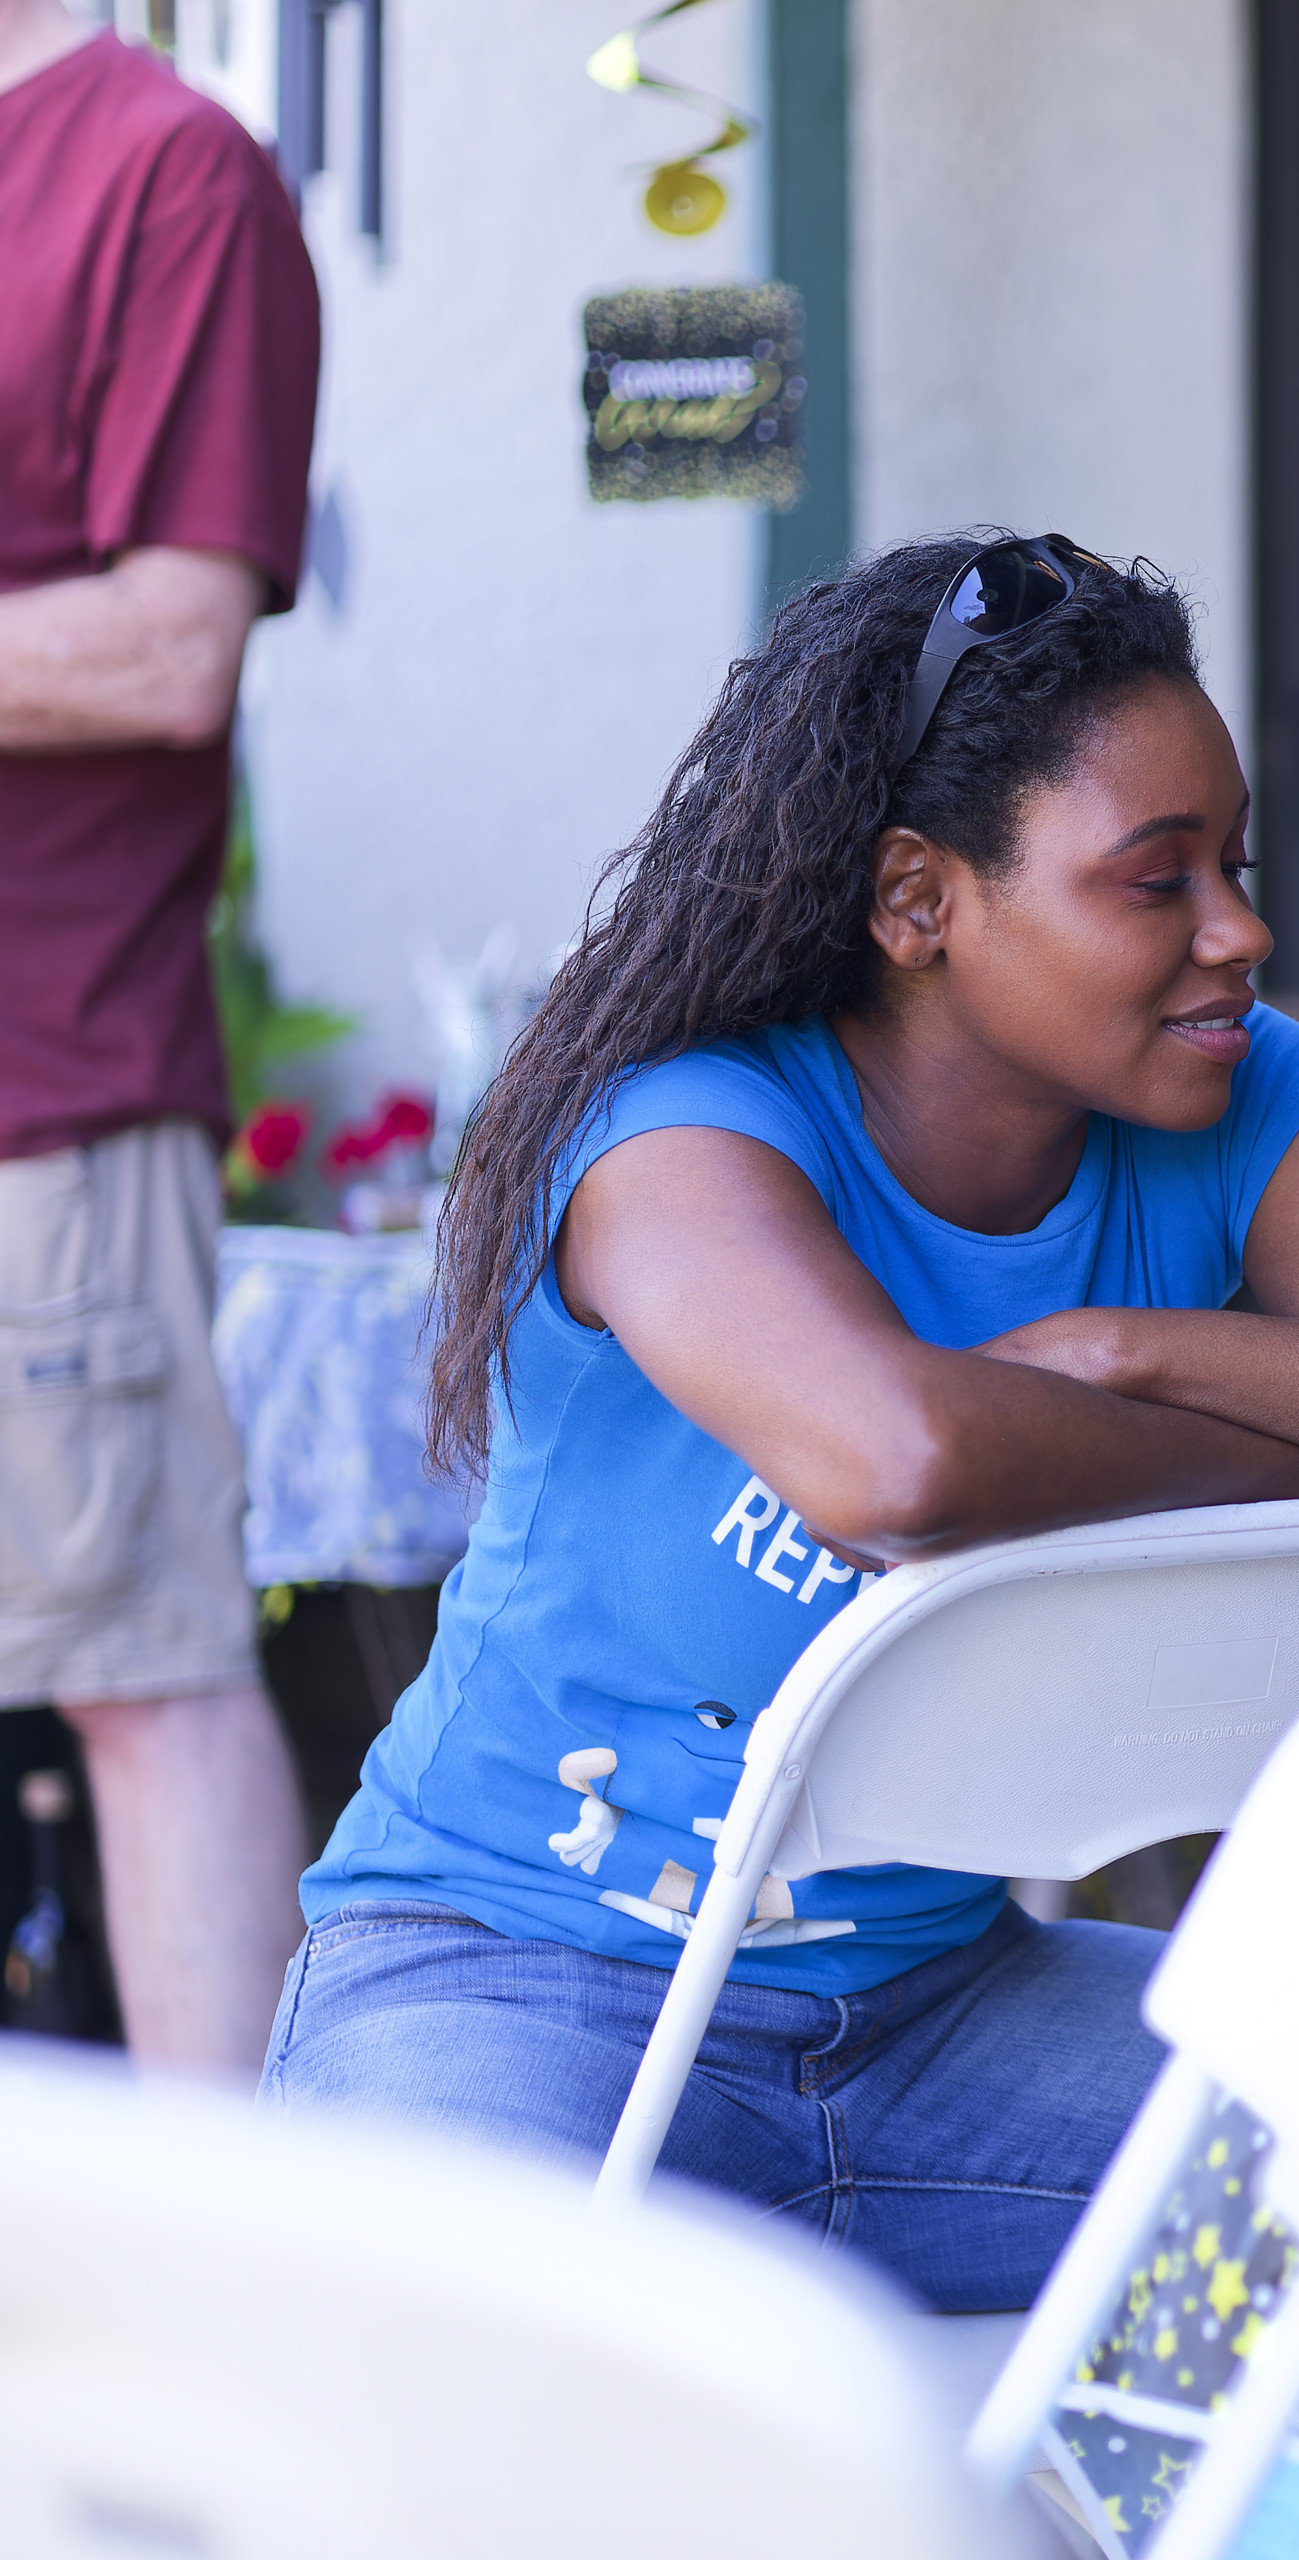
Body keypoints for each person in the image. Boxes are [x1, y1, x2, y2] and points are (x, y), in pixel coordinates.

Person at [261, 533, 1299, 2309]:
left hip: (943, 2020)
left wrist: (1133, 1357)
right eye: (1158, 881)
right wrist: (1293, 1462)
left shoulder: (1238, 1094)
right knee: (465, 2385)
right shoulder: (676, 1135)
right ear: (918, 900)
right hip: (518, 1979)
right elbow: (899, 1464)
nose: (1241, 933)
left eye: (1235, 867)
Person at [0, 1, 325, 2078]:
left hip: (42, 1092)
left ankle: (245, 2262)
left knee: (140, 1670)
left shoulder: (167, 169)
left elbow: (171, 643)